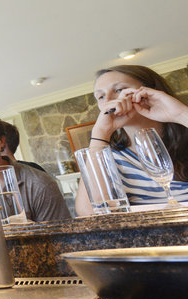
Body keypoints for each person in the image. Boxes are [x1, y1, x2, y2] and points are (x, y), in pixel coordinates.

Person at [75, 65, 188, 215]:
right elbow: (88, 214)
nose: (108, 100)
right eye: (101, 96)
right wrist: (100, 133)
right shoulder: (111, 159)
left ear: (150, 91)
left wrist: (179, 114)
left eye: (119, 90)